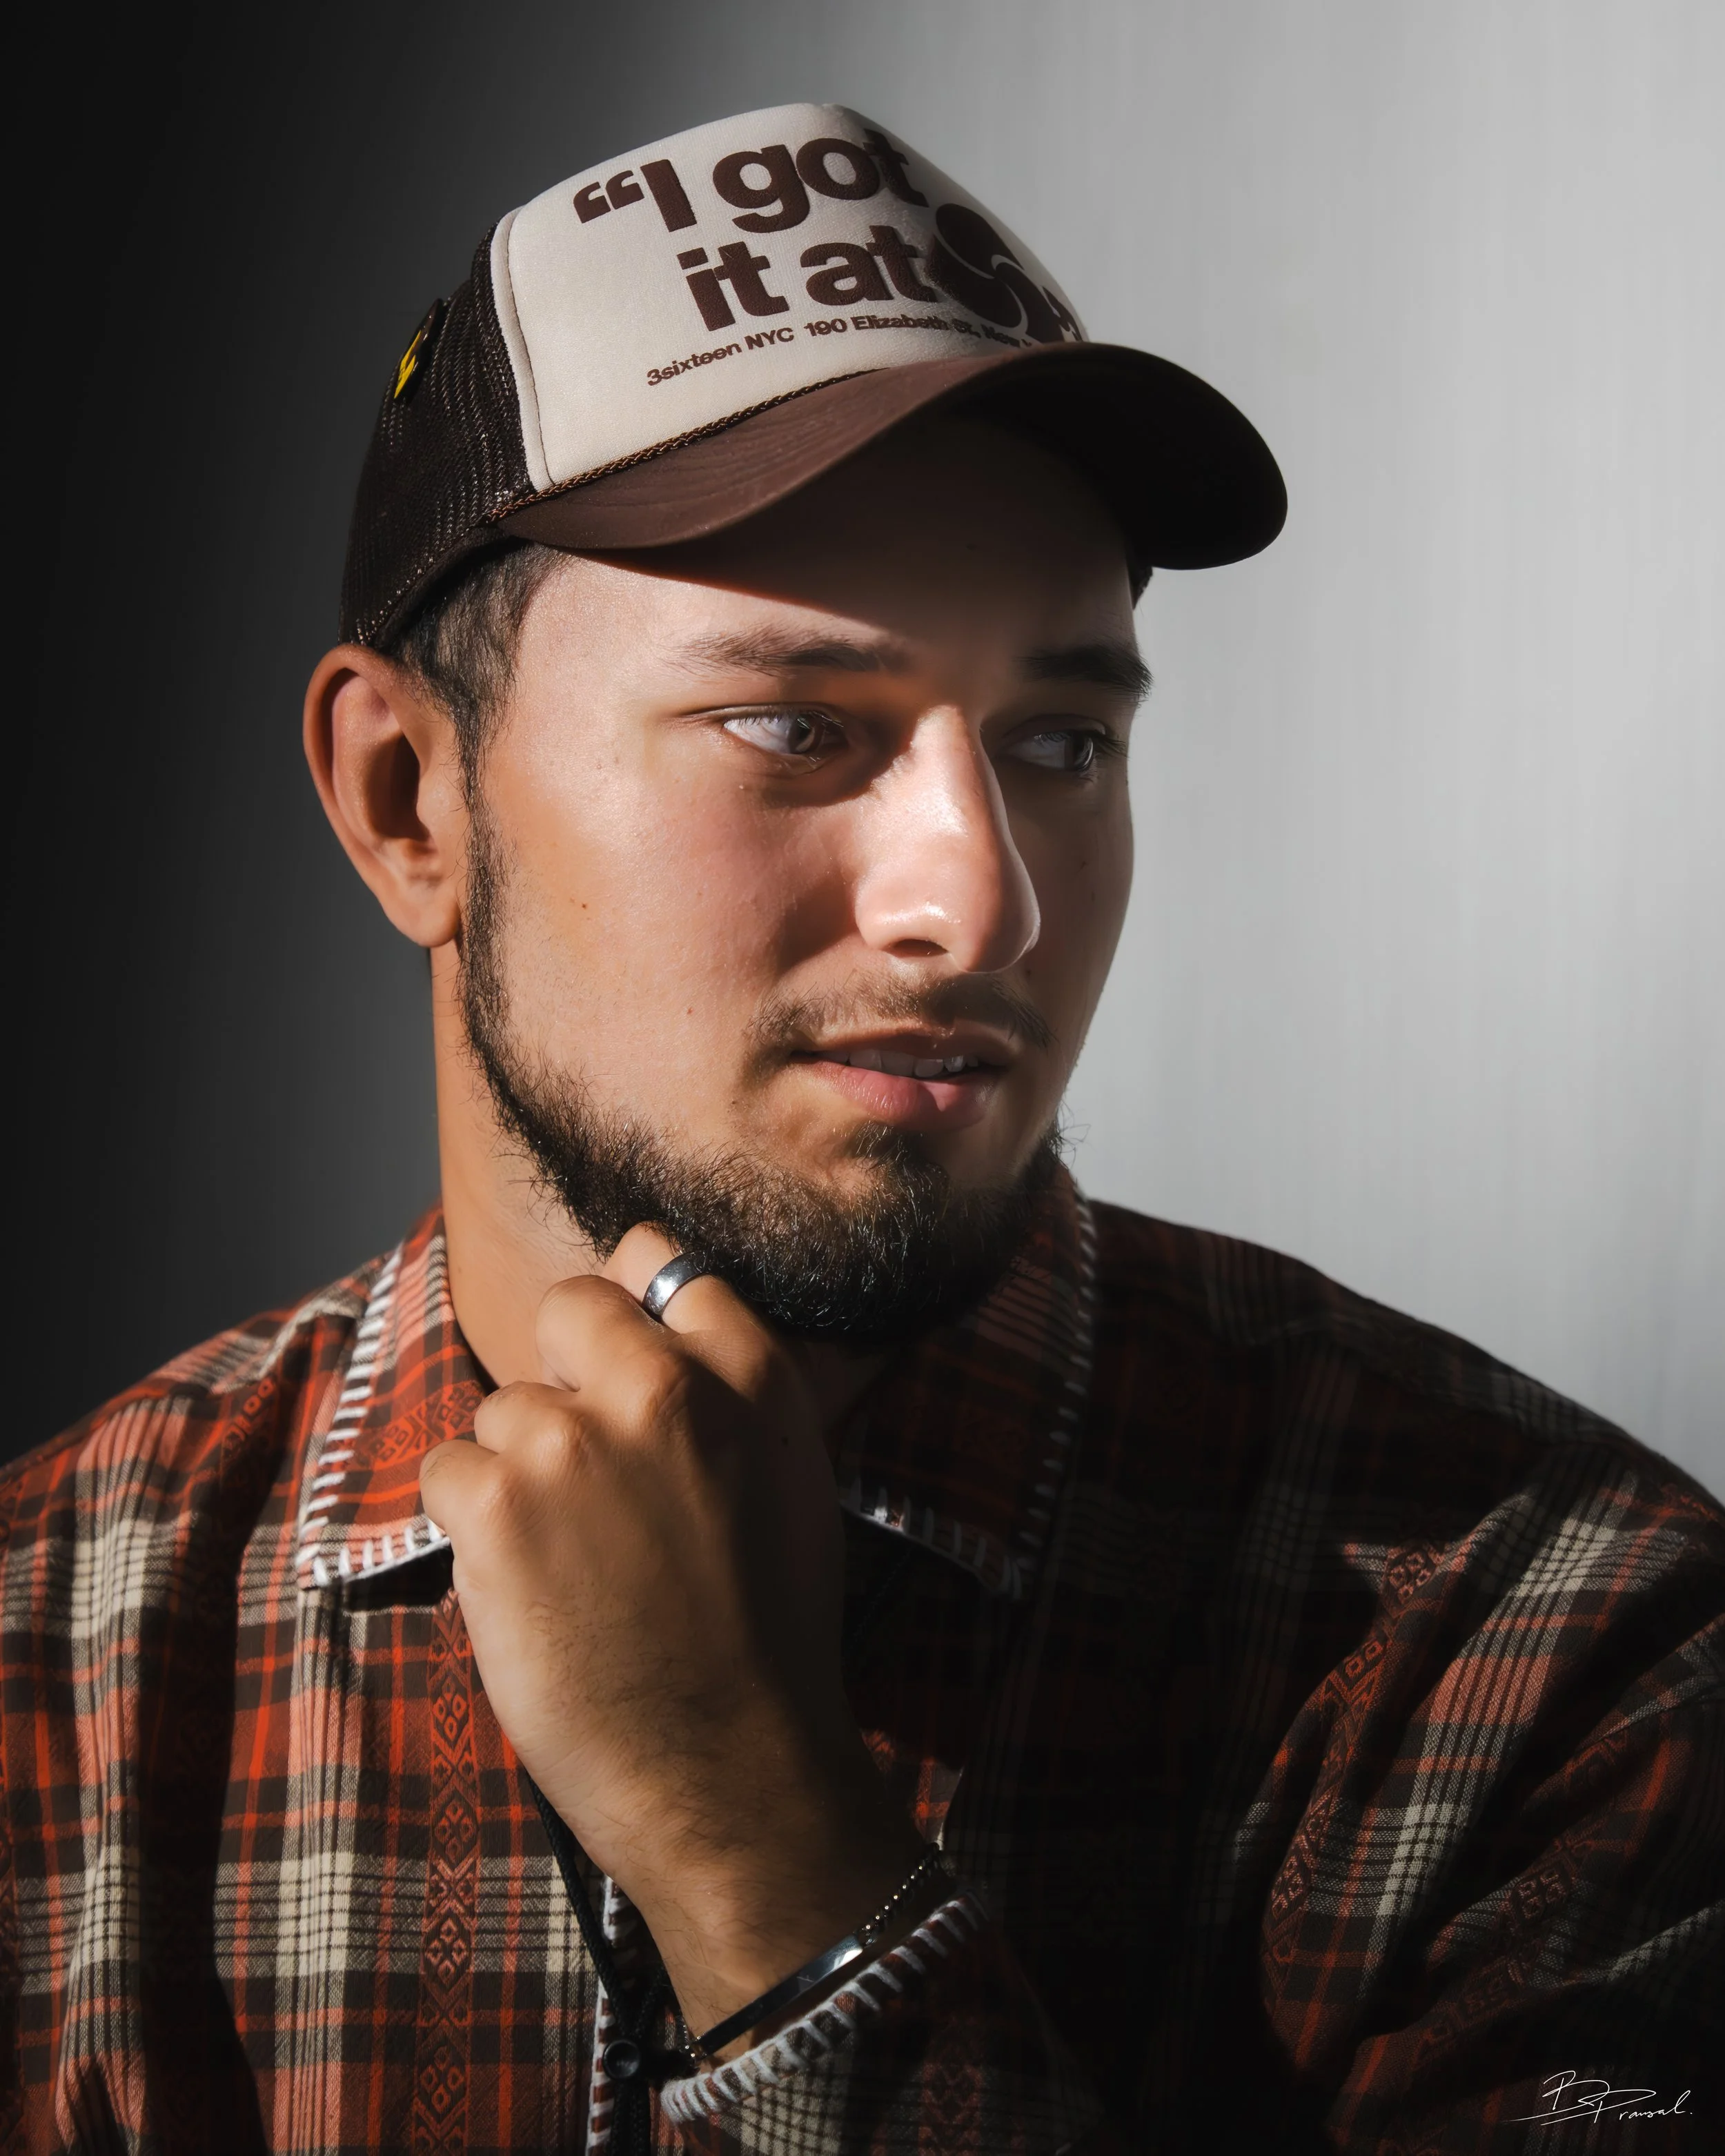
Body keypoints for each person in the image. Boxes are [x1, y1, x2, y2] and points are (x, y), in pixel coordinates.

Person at [1, 102, 1717, 2156]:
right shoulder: (52, 1658)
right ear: (407, 802)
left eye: (1059, 739)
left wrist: (764, 1863)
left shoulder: (1543, 1650)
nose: (979, 900)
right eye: (798, 727)